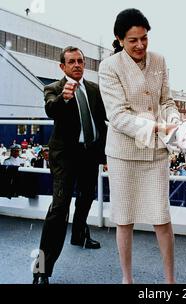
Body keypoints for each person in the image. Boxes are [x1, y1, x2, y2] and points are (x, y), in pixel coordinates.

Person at [98, 8, 180, 284]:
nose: (141, 45)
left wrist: (174, 122)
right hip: (123, 153)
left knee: (161, 217)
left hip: (156, 153)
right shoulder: (109, 67)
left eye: (144, 38)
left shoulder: (159, 61)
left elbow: (167, 102)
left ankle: (170, 281)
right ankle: (127, 279)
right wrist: (157, 127)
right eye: (133, 40)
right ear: (120, 39)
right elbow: (117, 116)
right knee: (125, 218)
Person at [32, 46, 108, 284]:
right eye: (72, 62)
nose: (77, 65)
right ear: (62, 66)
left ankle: (79, 235)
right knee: (59, 209)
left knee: (86, 198)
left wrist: (105, 156)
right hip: (65, 157)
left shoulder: (94, 90)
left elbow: (102, 122)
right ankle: (41, 270)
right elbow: (50, 109)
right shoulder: (53, 88)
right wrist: (64, 98)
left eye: (80, 61)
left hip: (89, 154)